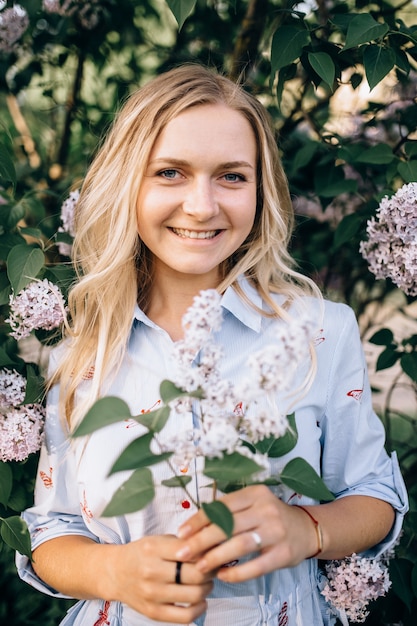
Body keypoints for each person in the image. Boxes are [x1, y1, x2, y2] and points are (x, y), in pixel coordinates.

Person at [17, 64, 407, 626]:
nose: (202, 206)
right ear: (130, 183)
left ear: (260, 188)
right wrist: (116, 571)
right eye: (170, 172)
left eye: (231, 176)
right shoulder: (80, 353)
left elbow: (373, 496)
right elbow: (53, 531)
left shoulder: (322, 330)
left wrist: (307, 529)